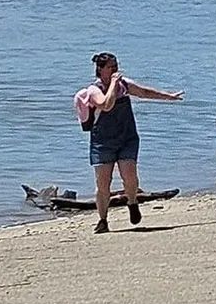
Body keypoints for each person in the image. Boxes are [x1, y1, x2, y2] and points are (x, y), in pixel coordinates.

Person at [75, 52, 184, 234]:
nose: (115, 69)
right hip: (103, 141)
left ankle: (132, 202)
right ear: (100, 69)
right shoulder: (94, 90)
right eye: (110, 67)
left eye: (116, 65)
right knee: (103, 183)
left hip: (127, 138)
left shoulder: (123, 85)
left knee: (130, 176)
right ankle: (103, 220)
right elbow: (106, 105)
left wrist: (168, 96)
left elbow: (144, 92)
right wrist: (113, 84)